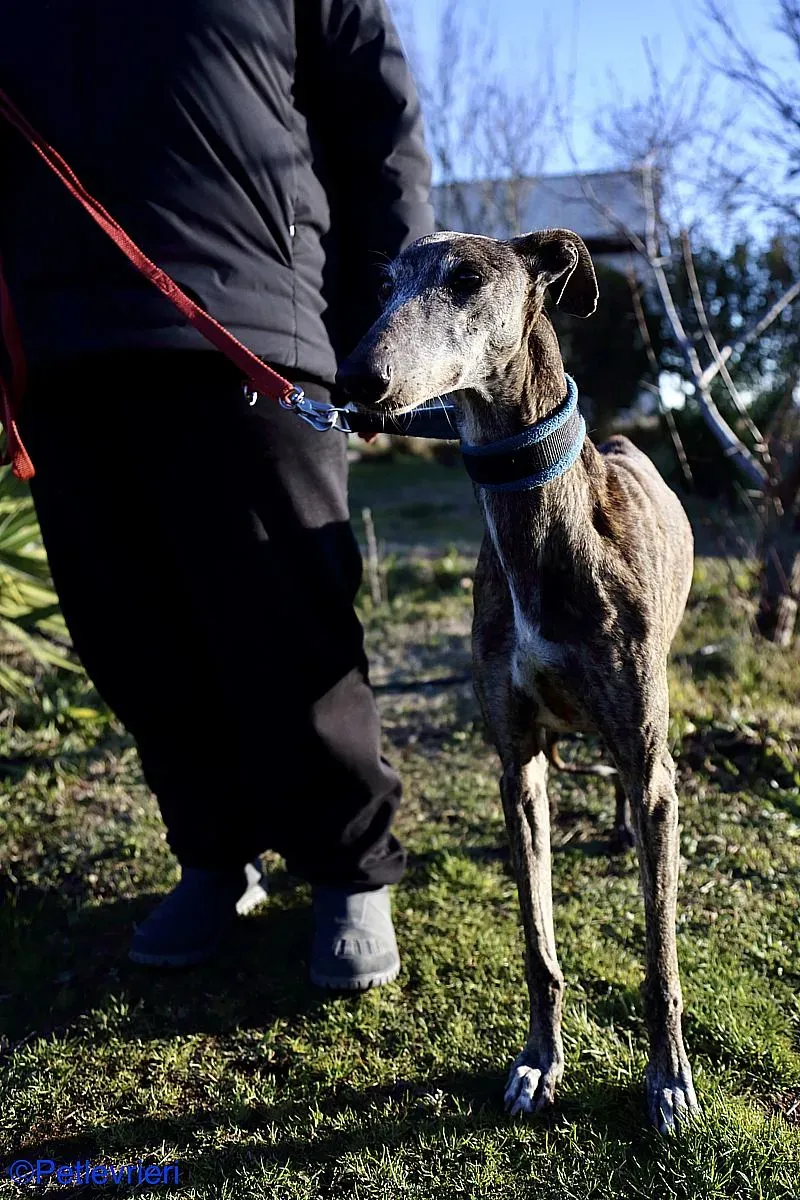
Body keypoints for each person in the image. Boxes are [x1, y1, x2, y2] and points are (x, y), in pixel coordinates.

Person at [0, 0, 433, 987]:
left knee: (289, 620)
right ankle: (211, 848)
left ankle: (346, 863)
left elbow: (374, 116)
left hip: (246, 320)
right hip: (57, 348)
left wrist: (385, 325)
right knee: (128, 633)